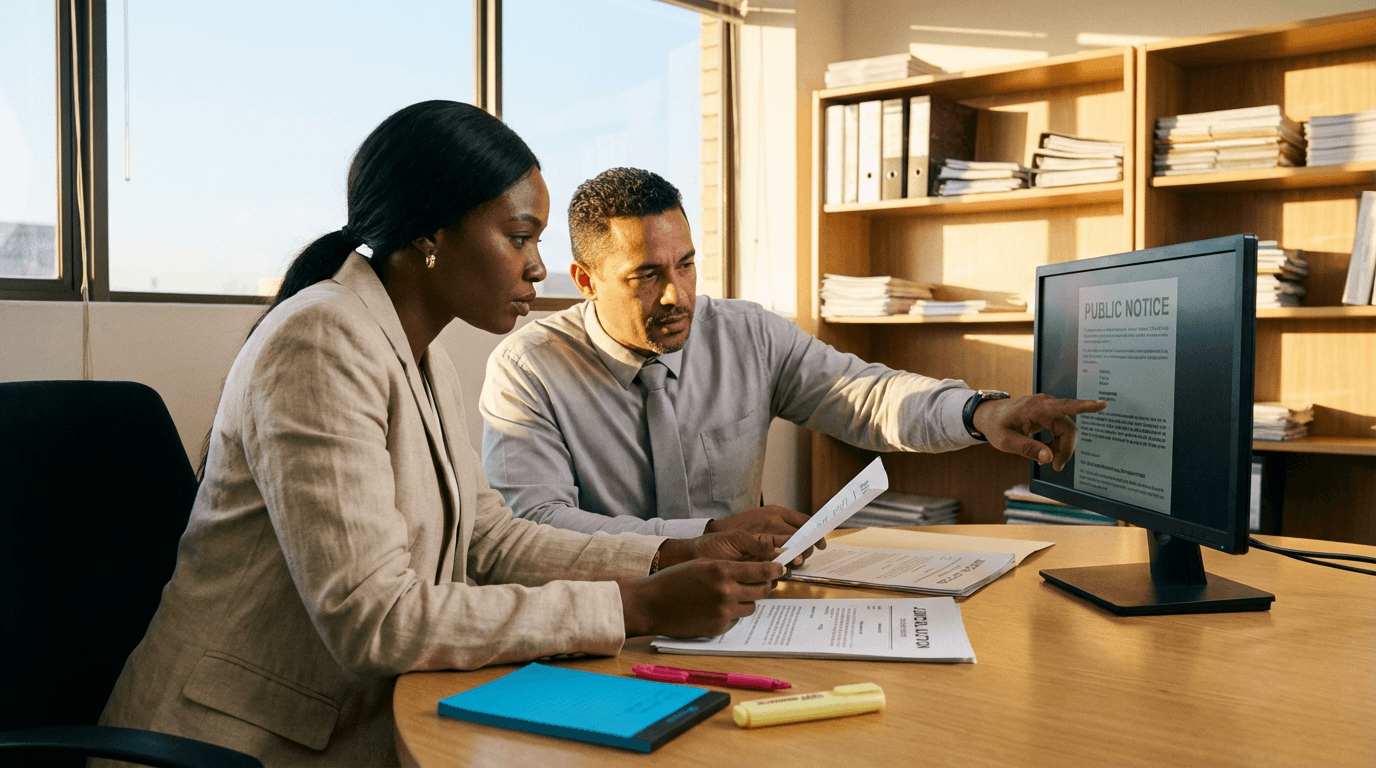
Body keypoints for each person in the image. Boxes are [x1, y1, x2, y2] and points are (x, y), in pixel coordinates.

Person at [97, 104, 787, 768]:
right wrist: (636, 604)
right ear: (431, 234)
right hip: (229, 745)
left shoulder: (420, 354)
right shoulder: (319, 340)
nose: (538, 267)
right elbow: (376, 617)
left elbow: (491, 539)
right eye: (519, 237)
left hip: (358, 726)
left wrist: (672, 554)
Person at [479, 167, 1105, 538]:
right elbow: (537, 525)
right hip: (605, 619)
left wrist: (978, 412)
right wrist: (707, 538)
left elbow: (864, 395)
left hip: (747, 609)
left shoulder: (746, 333)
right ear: (584, 281)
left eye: (688, 264)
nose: (677, 295)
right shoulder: (528, 367)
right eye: (645, 275)